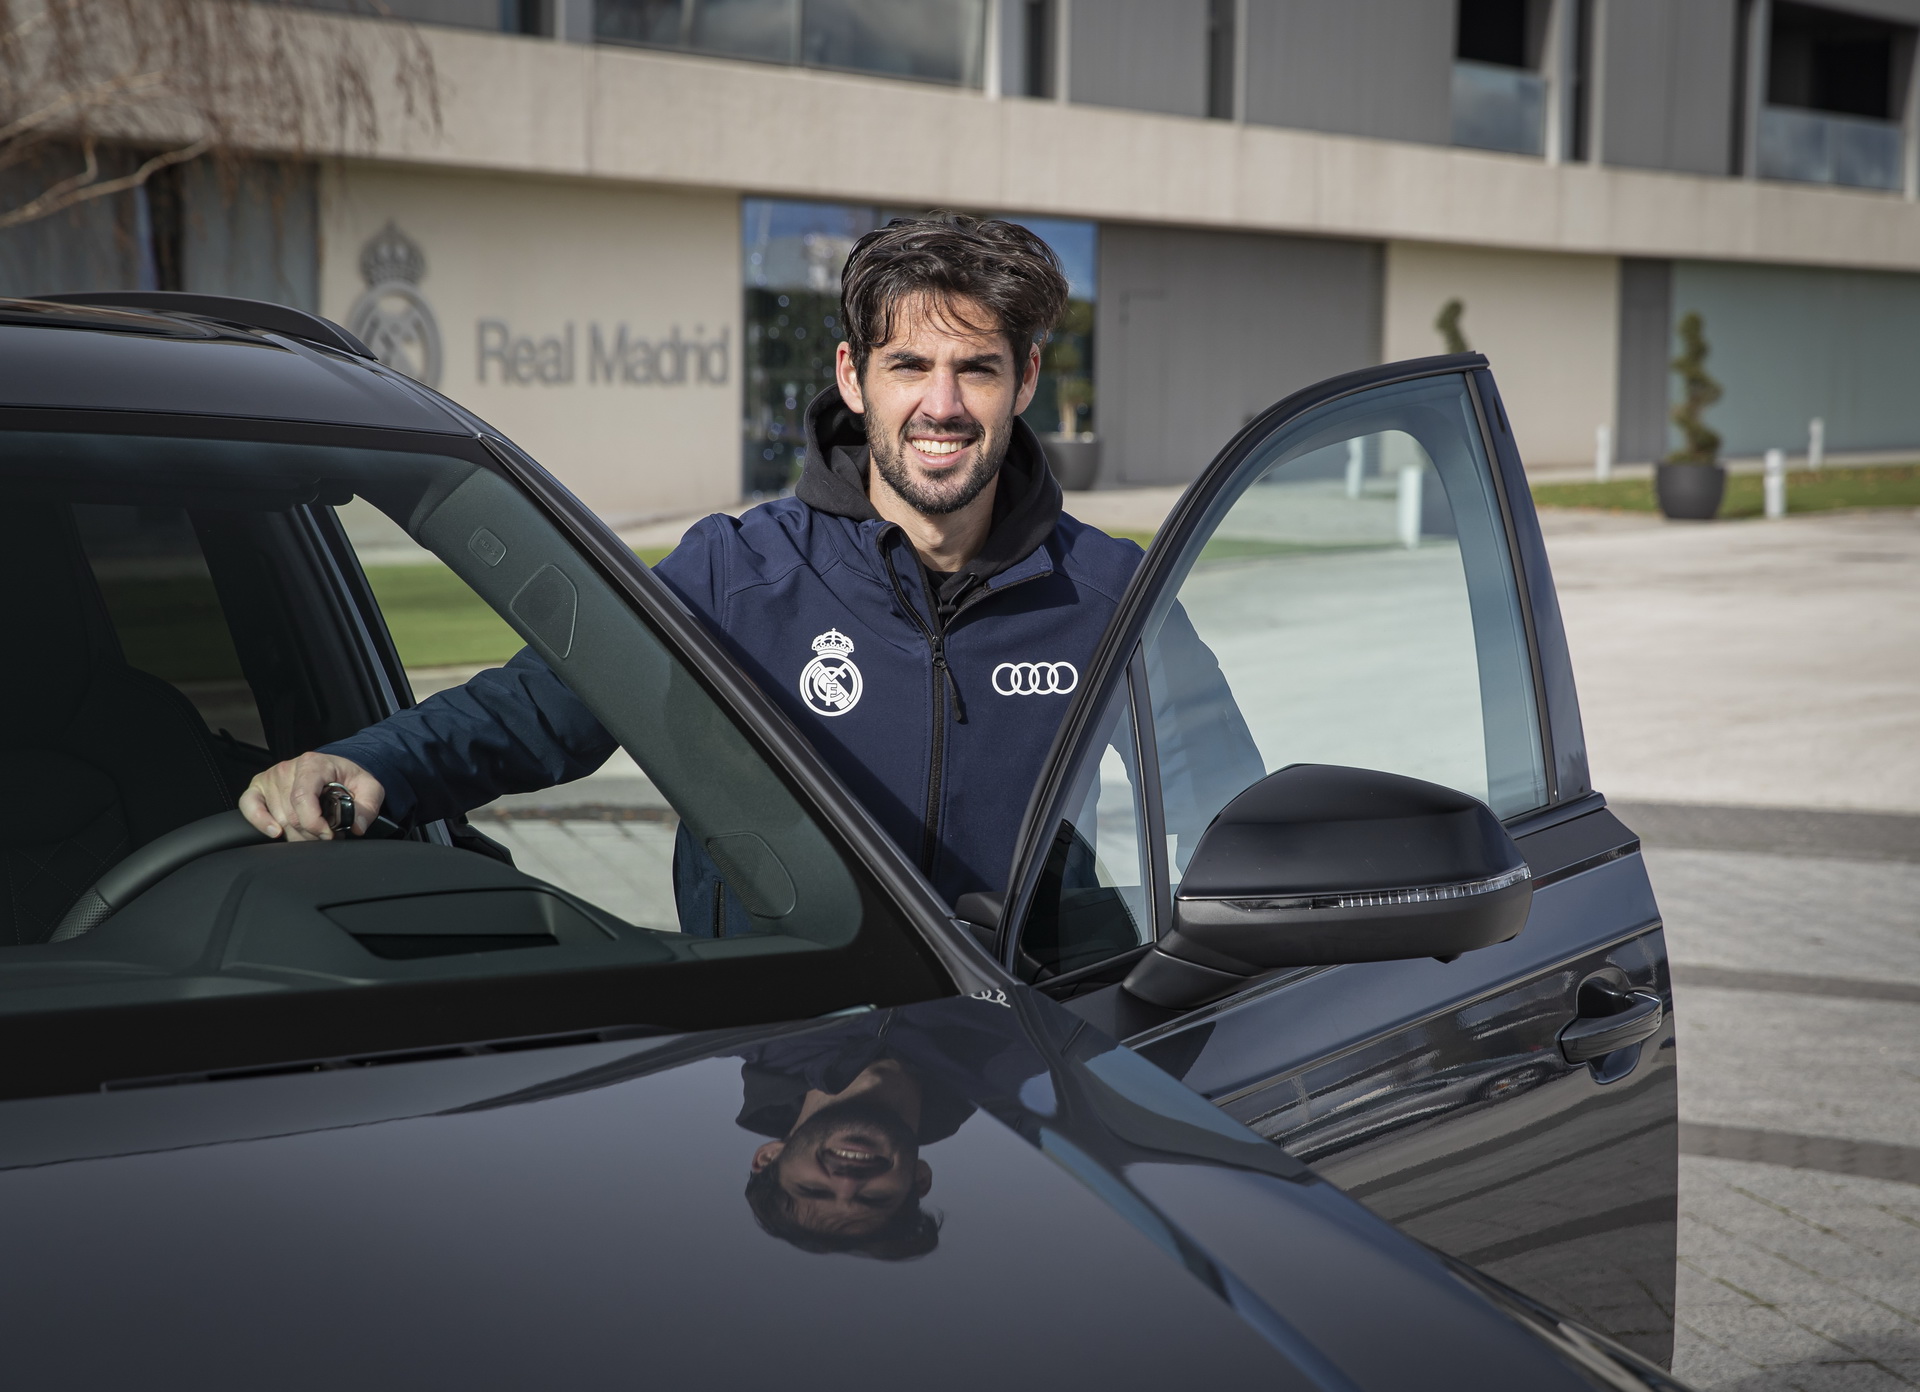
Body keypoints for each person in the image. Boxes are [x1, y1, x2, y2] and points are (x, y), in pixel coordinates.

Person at [239, 214, 1253, 926]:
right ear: (853, 378)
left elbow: (1232, 824)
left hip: (1025, 1055)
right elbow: (540, 707)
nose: (941, 405)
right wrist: (374, 764)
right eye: (908, 367)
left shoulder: (1112, 597)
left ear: (1024, 379)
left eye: (976, 368)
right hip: (785, 1047)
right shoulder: (736, 575)